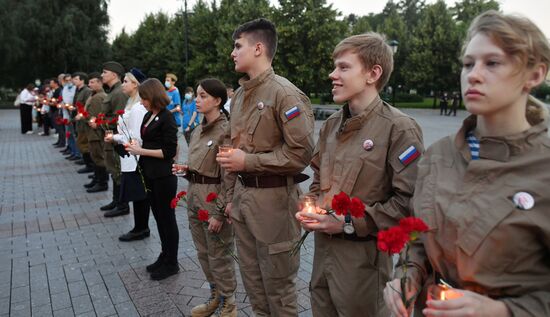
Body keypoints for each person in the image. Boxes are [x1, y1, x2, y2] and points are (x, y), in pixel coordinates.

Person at [384, 10, 550, 317]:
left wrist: (504, 311)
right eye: (468, 63)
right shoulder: (438, 155)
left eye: (493, 63)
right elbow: (417, 235)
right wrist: (405, 276)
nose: (473, 74)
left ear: (535, 74)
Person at [295, 32, 423, 317]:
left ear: (372, 73)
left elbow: (409, 203)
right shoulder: (331, 125)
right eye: (334, 67)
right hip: (323, 253)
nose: (332, 75)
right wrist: (310, 205)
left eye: (343, 67)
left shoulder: (399, 129)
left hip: (363, 262)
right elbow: (318, 178)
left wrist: (349, 223)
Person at [216, 18, 314, 317]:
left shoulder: (284, 94)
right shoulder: (242, 95)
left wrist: (250, 162)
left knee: (278, 291)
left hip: (275, 205)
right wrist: (231, 199)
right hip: (244, 201)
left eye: (238, 46)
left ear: (258, 48)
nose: (232, 53)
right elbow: (234, 152)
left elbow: (301, 154)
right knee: (254, 287)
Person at [173, 78, 236, 317]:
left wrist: (220, 211)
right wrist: (186, 169)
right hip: (195, 196)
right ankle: (215, 296)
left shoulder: (225, 131)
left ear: (218, 101)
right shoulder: (199, 129)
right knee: (203, 252)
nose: (196, 100)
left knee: (220, 254)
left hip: (213, 199)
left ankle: (229, 303)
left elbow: (229, 176)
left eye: (203, 96)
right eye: (197, 95)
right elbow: (202, 163)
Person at [126, 78, 179, 280]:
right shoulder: (150, 115)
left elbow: (169, 151)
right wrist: (136, 145)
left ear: (154, 96)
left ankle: (172, 262)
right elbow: (148, 140)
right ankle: (164, 255)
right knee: (158, 217)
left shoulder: (167, 118)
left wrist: (141, 150)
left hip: (163, 175)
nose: (142, 102)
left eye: (145, 98)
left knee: (167, 219)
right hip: (149, 173)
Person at [104, 69, 151, 236]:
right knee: (137, 194)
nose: (122, 84)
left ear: (135, 84)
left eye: (125, 81)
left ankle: (141, 228)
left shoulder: (138, 107)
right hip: (129, 154)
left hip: (135, 156)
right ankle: (139, 227)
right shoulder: (131, 103)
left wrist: (118, 139)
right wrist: (116, 138)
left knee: (139, 194)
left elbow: (136, 136)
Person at [99, 61, 130, 216]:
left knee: (118, 170)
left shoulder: (118, 93)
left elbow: (120, 118)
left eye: (105, 72)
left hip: (116, 138)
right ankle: (116, 200)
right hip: (110, 136)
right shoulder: (112, 91)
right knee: (113, 169)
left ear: (114, 74)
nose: (102, 75)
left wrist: (103, 122)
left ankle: (122, 204)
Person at [85, 73, 109, 193]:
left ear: (100, 83)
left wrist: (90, 120)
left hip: (96, 132)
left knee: (98, 157)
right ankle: (97, 179)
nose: (89, 84)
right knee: (95, 157)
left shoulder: (99, 97)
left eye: (92, 82)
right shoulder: (94, 95)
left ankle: (102, 182)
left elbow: (98, 115)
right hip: (92, 131)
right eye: (89, 82)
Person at [72, 72, 93, 173]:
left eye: (76, 79)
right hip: (79, 121)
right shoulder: (78, 90)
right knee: (81, 143)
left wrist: (81, 115)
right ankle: (88, 164)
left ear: (82, 80)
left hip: (84, 122)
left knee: (84, 144)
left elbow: (87, 107)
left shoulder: (87, 91)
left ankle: (90, 166)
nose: (74, 81)